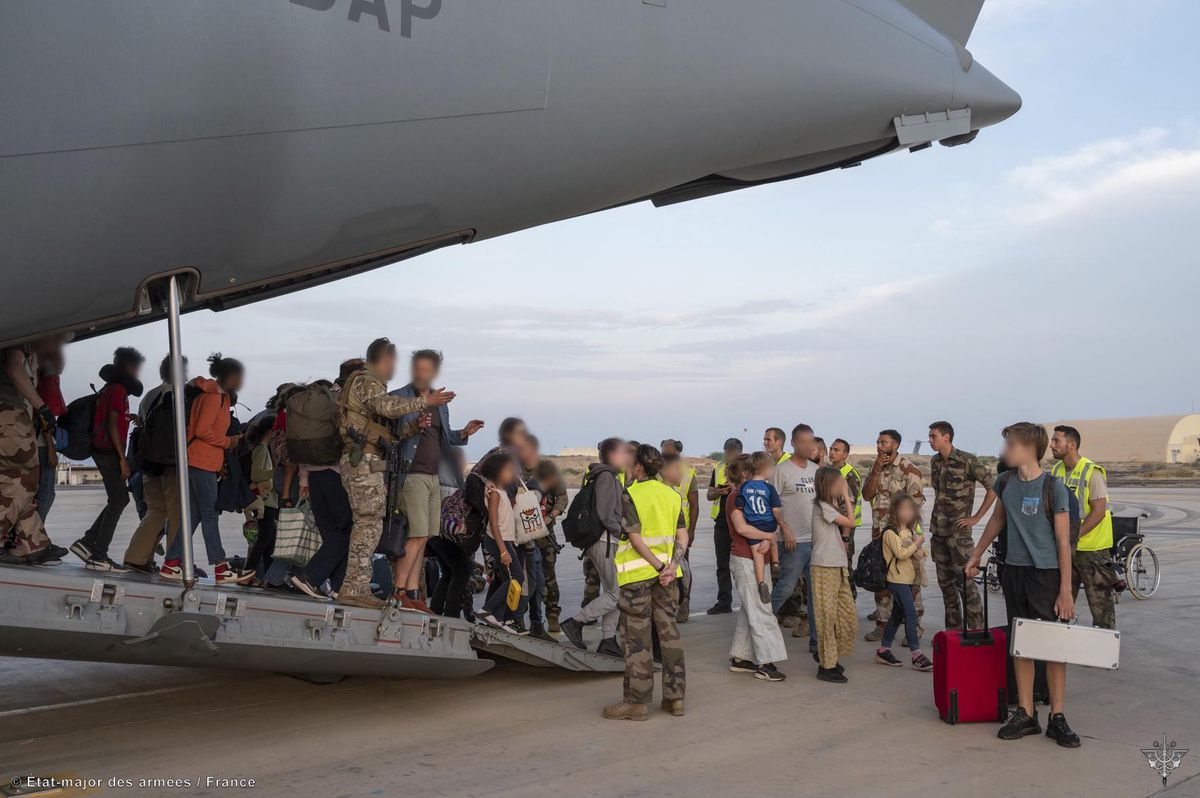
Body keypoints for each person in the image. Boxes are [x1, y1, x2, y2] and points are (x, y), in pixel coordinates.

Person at [967, 422, 1080, 748]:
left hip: (1046, 575)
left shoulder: (1053, 488)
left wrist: (1065, 590)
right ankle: (1025, 713)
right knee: (1022, 643)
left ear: (1029, 449)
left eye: (1010, 445)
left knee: (1053, 646)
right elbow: (998, 519)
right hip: (1013, 572)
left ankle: (1056, 717)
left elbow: (1063, 543)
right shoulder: (1005, 482)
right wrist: (976, 554)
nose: (1005, 451)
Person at [336, 339, 452, 610]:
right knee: (367, 526)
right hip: (362, 463)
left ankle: (357, 587)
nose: (395, 367)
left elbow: (391, 432)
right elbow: (386, 407)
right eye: (393, 361)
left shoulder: (374, 386)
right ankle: (354, 589)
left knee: (371, 525)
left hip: (372, 462)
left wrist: (413, 429)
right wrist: (424, 402)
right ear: (384, 359)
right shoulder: (365, 381)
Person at [387, 349, 484, 612]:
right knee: (417, 534)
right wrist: (419, 414)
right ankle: (399, 592)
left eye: (427, 369)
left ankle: (413, 594)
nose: (421, 374)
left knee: (426, 535)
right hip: (411, 474)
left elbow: (444, 439)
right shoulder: (398, 398)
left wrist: (464, 432)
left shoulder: (441, 403)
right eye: (417, 368)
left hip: (433, 477)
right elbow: (391, 437)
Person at [604, 444, 687, 721]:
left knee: (637, 641)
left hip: (639, 578)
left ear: (639, 467)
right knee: (670, 636)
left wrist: (658, 566)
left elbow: (635, 539)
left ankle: (637, 703)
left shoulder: (631, 494)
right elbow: (682, 536)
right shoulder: (672, 495)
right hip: (668, 578)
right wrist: (672, 566)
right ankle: (675, 699)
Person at [159, 354, 244, 584]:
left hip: (202, 462)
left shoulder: (219, 397)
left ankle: (171, 564)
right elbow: (202, 430)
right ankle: (220, 566)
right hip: (200, 462)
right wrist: (229, 442)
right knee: (210, 514)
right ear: (232, 376)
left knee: (195, 516)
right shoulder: (213, 397)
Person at [288, 361, 362, 598]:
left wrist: (303, 481)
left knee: (332, 533)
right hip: (336, 475)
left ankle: (340, 587)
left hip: (315, 476)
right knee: (347, 530)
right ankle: (309, 576)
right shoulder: (346, 399)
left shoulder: (320, 398)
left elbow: (304, 444)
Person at [560, 438, 636, 658]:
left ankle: (608, 640)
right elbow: (605, 513)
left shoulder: (603, 475)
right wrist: (621, 533)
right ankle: (576, 622)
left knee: (613, 592)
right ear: (612, 455)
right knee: (617, 593)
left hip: (604, 541)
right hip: (605, 541)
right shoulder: (606, 477)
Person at [71, 347, 145, 572]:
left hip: (103, 449)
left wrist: (127, 417)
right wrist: (122, 459)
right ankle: (98, 554)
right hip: (108, 452)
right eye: (137, 367)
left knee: (119, 499)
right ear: (129, 367)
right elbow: (112, 424)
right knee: (119, 500)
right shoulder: (119, 390)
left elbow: (112, 418)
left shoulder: (110, 388)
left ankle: (88, 543)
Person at [1, 336, 67, 565]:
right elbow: (12, 367)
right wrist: (42, 407)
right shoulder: (21, 338)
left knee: (24, 483)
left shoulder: (30, 349)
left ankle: (33, 543)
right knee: (22, 479)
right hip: (8, 416)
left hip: (13, 417)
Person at [121, 355, 189, 573]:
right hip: (172, 462)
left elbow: (142, 424)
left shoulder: (150, 395)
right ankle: (174, 561)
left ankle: (136, 557)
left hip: (149, 462)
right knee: (178, 513)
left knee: (156, 510)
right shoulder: (181, 394)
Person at [928, 421, 996, 631]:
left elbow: (993, 488)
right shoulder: (935, 462)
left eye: (933, 436)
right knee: (946, 587)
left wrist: (976, 517)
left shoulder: (967, 461)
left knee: (966, 586)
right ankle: (954, 634)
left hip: (959, 535)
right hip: (938, 533)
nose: (930, 440)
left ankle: (976, 632)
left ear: (946, 437)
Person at [724, 454, 788, 682]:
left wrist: (767, 537)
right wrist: (767, 536)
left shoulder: (755, 494)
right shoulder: (736, 497)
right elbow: (742, 528)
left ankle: (741, 657)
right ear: (745, 474)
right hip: (745, 559)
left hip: (758, 558)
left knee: (750, 609)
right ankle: (766, 663)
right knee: (762, 610)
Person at [862, 429, 926, 643]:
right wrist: (875, 469)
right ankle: (882, 623)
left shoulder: (909, 469)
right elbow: (866, 495)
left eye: (884, 442)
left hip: (903, 535)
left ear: (895, 444)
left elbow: (916, 505)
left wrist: (910, 536)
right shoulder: (877, 467)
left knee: (909, 580)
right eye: (878, 442)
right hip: (880, 534)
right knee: (880, 577)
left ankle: (913, 627)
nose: (880, 446)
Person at [1049, 425, 1116, 629]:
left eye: (1056, 441)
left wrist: (1074, 536)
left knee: (1101, 607)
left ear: (1072, 445)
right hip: (1066, 549)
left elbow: (1099, 510)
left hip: (1092, 552)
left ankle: (1105, 653)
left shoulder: (1091, 471)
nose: (1051, 445)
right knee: (1060, 604)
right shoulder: (1056, 471)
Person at [770, 424, 819, 653]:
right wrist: (784, 528)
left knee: (815, 592)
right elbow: (773, 504)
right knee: (786, 587)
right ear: (793, 444)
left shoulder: (815, 470)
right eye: (804, 442)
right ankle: (761, 625)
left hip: (815, 541)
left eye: (812, 441)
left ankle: (816, 642)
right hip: (792, 541)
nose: (809, 446)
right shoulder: (782, 471)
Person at [809, 466, 859, 682]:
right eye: (839, 483)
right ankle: (826, 666)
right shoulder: (822, 506)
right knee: (827, 617)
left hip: (837, 565)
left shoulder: (830, 506)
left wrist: (846, 540)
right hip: (824, 565)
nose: (843, 486)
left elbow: (847, 527)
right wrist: (848, 497)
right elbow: (850, 521)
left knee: (846, 615)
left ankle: (828, 655)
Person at [874, 494, 933, 672]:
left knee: (896, 616)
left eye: (910, 509)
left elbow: (917, 551)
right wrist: (916, 545)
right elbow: (901, 554)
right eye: (903, 509)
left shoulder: (910, 531)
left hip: (908, 579)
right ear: (895, 511)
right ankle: (916, 655)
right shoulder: (890, 533)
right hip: (896, 580)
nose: (908, 512)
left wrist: (921, 550)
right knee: (911, 614)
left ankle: (884, 650)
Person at [474, 452, 524, 631]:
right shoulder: (494, 492)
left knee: (507, 579)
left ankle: (498, 618)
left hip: (504, 541)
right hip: (497, 541)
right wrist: (503, 550)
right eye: (508, 470)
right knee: (517, 577)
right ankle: (487, 610)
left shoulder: (500, 491)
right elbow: (493, 523)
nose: (511, 473)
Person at [735, 452, 785, 603]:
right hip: (768, 522)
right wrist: (779, 523)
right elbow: (776, 510)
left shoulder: (744, 487)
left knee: (758, 556)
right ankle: (775, 563)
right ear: (766, 470)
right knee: (773, 541)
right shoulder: (769, 489)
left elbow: (740, 506)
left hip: (753, 524)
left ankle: (761, 582)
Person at [661, 439, 698, 622]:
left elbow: (694, 504)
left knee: (683, 569)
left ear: (677, 450)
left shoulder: (688, 473)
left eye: (667, 448)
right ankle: (670, 604)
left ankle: (685, 603)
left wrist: (691, 531)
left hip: (681, 530)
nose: (664, 450)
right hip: (663, 530)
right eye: (663, 448)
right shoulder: (658, 472)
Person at [705, 437, 743, 615]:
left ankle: (746, 600)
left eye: (731, 451)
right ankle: (724, 601)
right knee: (722, 566)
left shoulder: (745, 468)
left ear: (739, 452)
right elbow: (709, 494)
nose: (728, 454)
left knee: (742, 565)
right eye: (726, 451)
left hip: (739, 524)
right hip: (721, 524)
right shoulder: (719, 468)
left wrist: (734, 488)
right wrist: (718, 491)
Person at [534, 457, 567, 632]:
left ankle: (552, 615)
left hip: (546, 534)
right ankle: (532, 619)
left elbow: (562, 496)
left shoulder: (547, 470)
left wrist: (552, 515)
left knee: (549, 577)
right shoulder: (517, 471)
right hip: (524, 533)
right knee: (528, 579)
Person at [34, 349, 67, 522]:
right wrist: (51, 448)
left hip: (35, 440)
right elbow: (44, 415)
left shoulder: (36, 375)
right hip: (41, 443)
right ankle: (35, 537)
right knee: (45, 494)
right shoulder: (48, 379)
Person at [828, 438, 862, 583]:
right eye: (831, 449)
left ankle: (850, 600)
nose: (832, 452)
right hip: (832, 524)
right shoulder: (829, 472)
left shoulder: (849, 475)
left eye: (837, 450)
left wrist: (846, 536)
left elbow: (850, 507)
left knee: (845, 567)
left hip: (845, 527)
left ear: (845, 454)